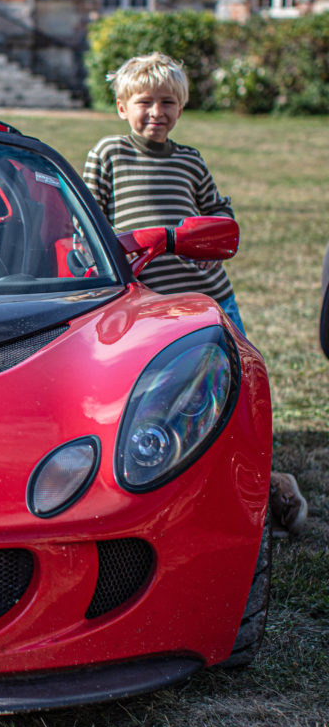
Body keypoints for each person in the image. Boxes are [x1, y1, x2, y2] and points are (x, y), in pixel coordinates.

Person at [83, 51, 307, 537]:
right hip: (146, 306)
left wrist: (214, 240)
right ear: (122, 107)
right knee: (157, 400)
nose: (156, 113)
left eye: (168, 103)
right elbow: (87, 220)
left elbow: (221, 216)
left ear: (181, 109)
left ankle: (268, 483)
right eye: (145, 102)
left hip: (208, 301)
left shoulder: (189, 161)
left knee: (233, 393)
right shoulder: (109, 155)